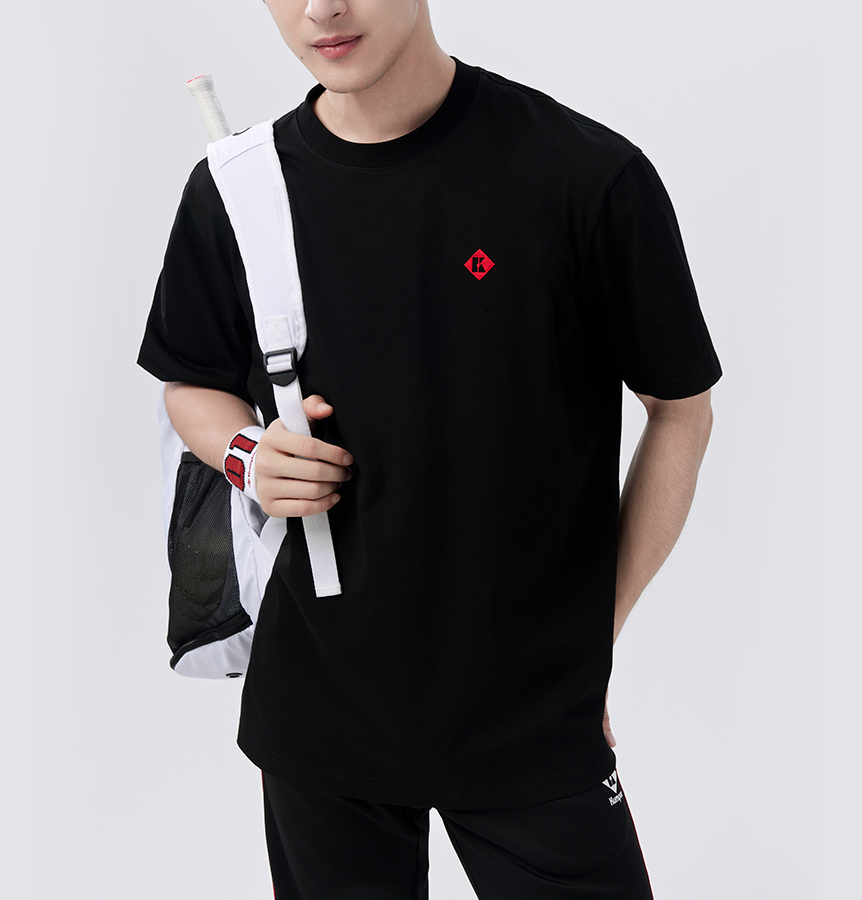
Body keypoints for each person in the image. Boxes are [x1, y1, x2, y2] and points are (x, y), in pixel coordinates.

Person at [138, 1, 722, 896]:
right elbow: (191, 382)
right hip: (319, 714)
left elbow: (679, 408)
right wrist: (248, 453)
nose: (321, 9)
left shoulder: (585, 174)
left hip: (530, 715)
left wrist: (589, 641)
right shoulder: (237, 188)